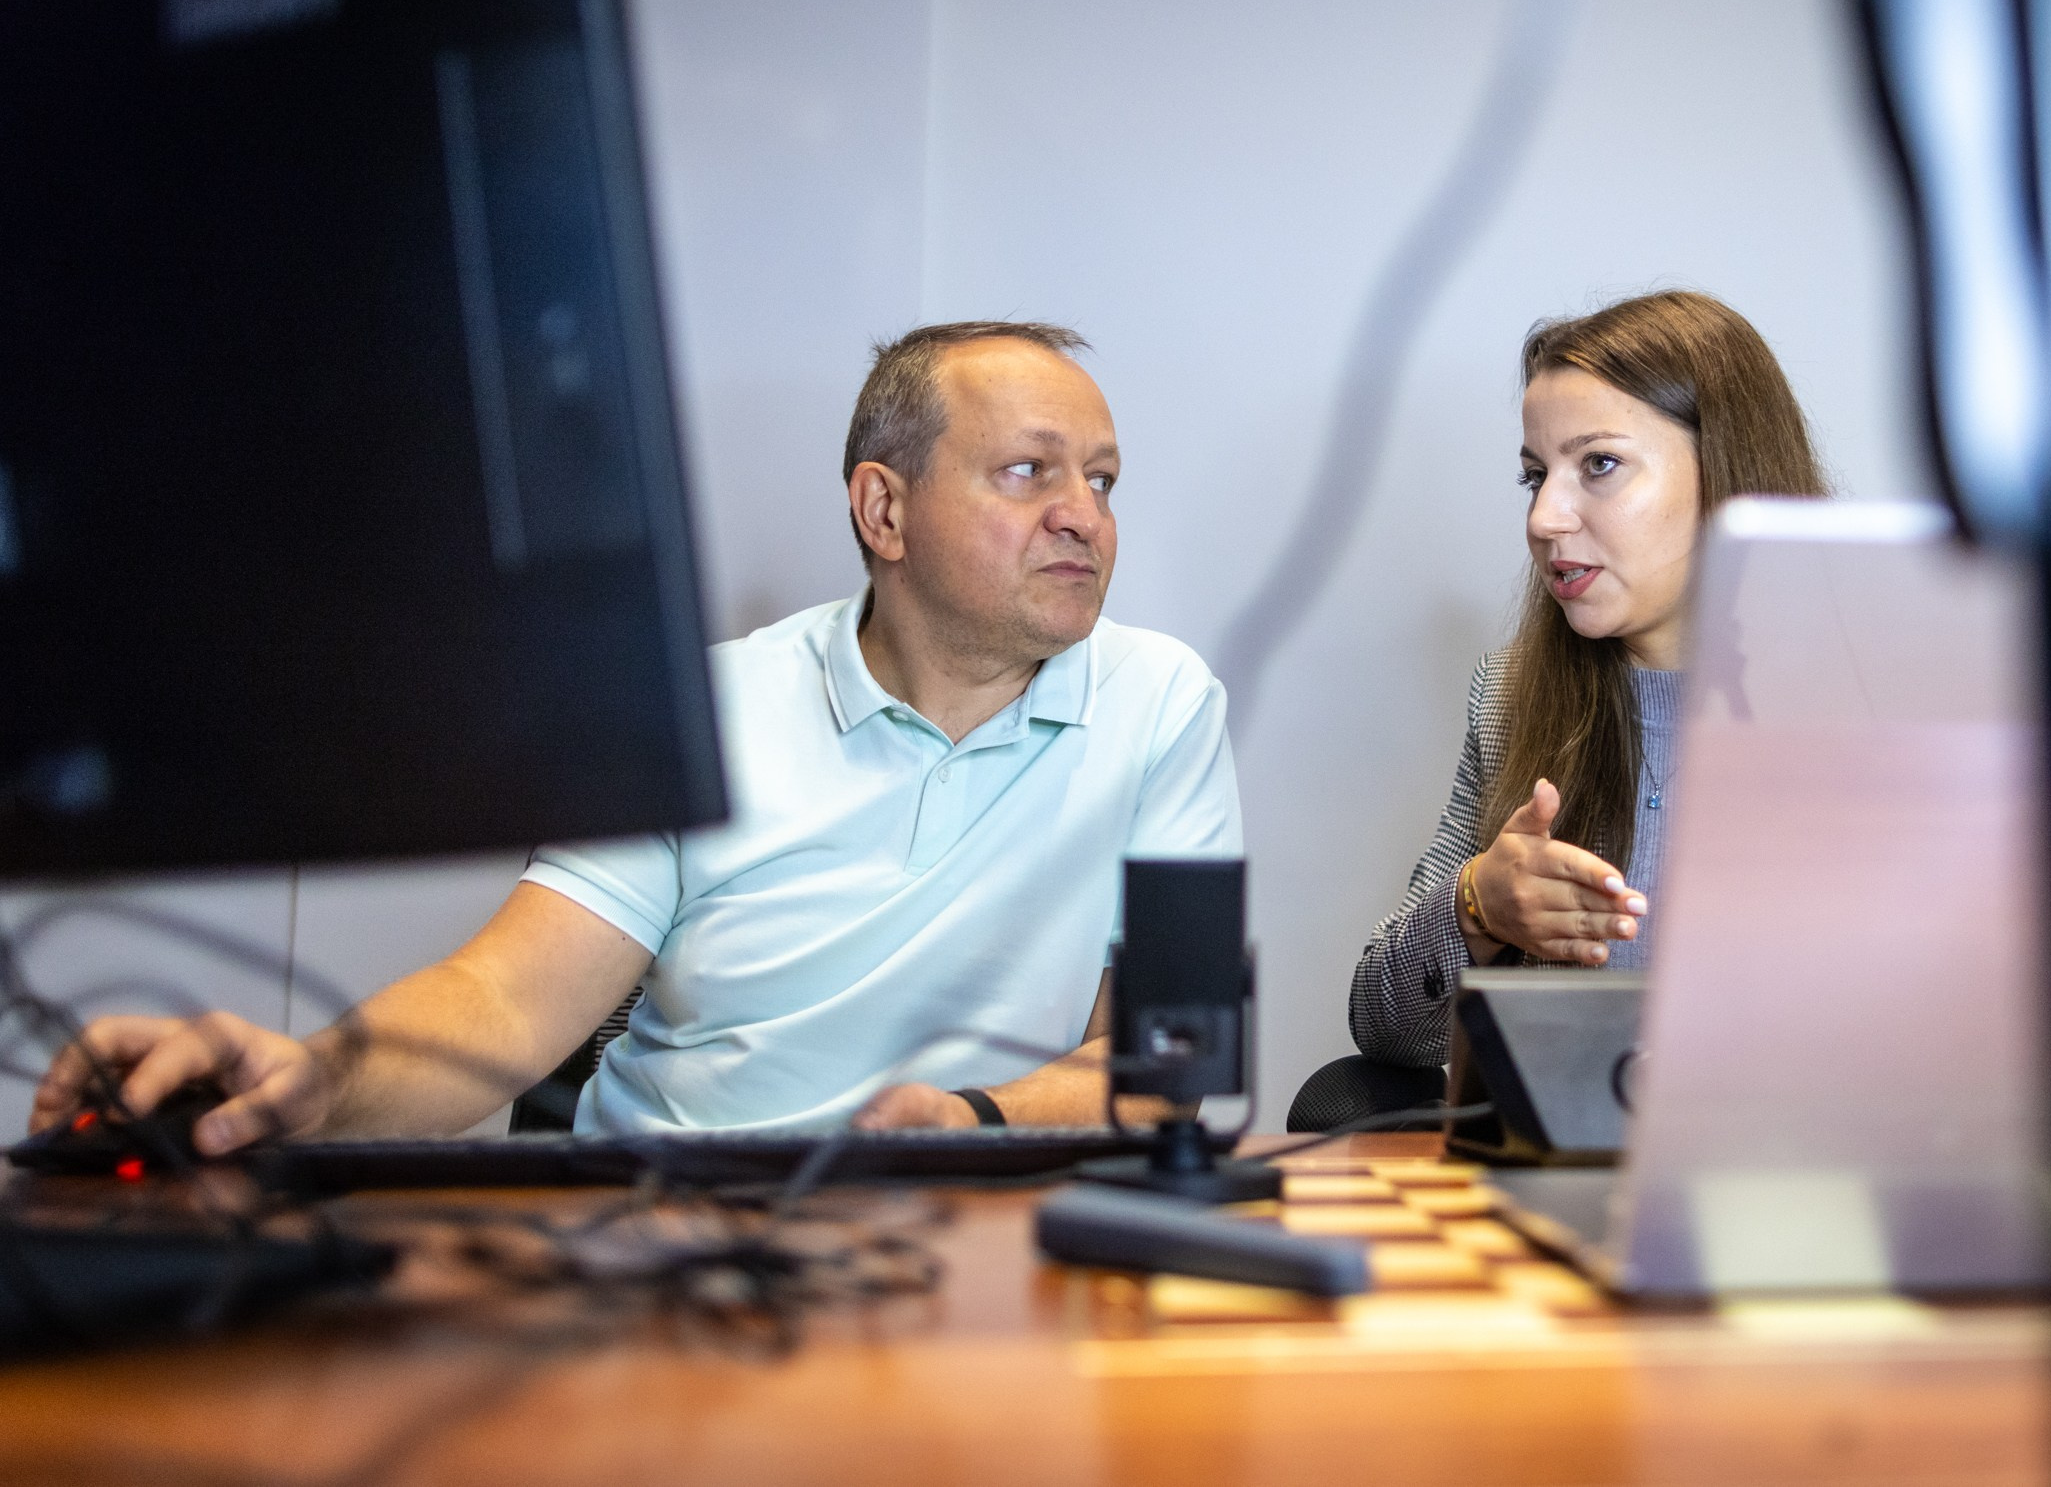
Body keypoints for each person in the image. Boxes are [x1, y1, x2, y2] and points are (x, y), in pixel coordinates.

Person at [30, 322, 1241, 1150]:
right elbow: (501, 1001)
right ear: (885, 508)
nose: (1083, 518)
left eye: (1104, 481)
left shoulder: (1161, 703)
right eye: (1031, 473)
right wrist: (316, 1077)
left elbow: (1171, 1060)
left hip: (971, 1238)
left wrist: (972, 1123)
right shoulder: (702, 708)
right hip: (662, 1228)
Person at [1345, 290, 1825, 1072]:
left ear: (1728, 472)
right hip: (1560, 1176)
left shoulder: (1874, 711)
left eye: (1598, 465)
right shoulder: (1509, 700)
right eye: (1536, 476)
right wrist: (1479, 907)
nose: (1544, 518)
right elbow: (1384, 1031)